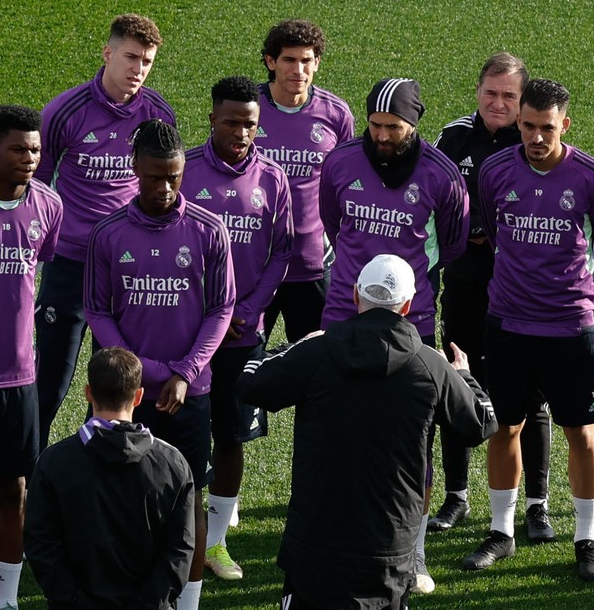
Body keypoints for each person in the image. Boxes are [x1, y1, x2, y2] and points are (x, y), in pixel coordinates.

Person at [236, 254, 497, 610]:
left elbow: (250, 382)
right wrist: (464, 375)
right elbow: (482, 423)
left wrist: (295, 345)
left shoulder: (318, 350)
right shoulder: (431, 365)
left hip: (316, 540)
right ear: (406, 306)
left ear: (356, 296)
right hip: (390, 547)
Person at [319, 78, 468, 591]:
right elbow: (333, 223)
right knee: (335, 429)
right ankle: (333, 539)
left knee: (412, 443)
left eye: (394, 127)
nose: (382, 136)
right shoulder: (339, 164)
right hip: (343, 315)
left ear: (415, 124)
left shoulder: (443, 177)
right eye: (376, 125)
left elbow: (450, 248)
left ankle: (415, 551)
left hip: (413, 324)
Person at [84, 120, 235, 610]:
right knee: (115, 495)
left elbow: (221, 309)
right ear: (135, 170)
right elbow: (98, 310)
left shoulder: (210, 231)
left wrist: (185, 373)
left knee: (188, 496)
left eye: (173, 176)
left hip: (187, 392)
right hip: (125, 394)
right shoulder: (108, 234)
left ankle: (188, 600)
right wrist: (139, 374)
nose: (165, 187)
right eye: (154, 177)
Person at [463, 78, 594, 582]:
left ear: (565, 125)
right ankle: (501, 532)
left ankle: (586, 539)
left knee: (582, 434)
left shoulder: (592, 177)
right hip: (507, 321)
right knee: (504, 427)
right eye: (528, 126)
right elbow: (499, 231)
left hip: (570, 324)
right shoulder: (495, 169)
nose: (536, 137)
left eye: (547, 128)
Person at [34, 14, 176, 449]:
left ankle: (101, 466)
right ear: (108, 53)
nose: (138, 69)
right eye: (131, 57)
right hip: (70, 264)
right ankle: (28, 479)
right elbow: (36, 183)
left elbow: (166, 184)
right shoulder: (66, 111)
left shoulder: (157, 114)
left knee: (115, 382)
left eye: (148, 61)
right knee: (51, 380)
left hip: (126, 266)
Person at [429, 53, 554, 541]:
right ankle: (457, 496)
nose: (498, 104)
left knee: (531, 398)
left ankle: (537, 505)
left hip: (523, 293)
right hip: (464, 285)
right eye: (490, 93)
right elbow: (433, 198)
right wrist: (472, 228)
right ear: (477, 90)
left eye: (509, 96)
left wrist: (489, 228)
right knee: (455, 386)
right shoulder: (453, 137)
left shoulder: (535, 139)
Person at [181, 76, 293, 580]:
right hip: (186, 330)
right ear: (211, 119)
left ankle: (218, 544)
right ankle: (170, 536)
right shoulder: (184, 170)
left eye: (250, 124)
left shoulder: (273, 179)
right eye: (231, 122)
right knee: (175, 436)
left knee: (229, 435)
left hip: (243, 330)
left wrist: (247, 310)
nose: (241, 132)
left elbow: (282, 251)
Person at [25, 348, 195, 610]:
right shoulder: (174, 464)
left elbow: (41, 545)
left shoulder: (53, 462)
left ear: (88, 393)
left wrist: (74, 601)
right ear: (139, 396)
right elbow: (179, 551)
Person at [0, 105, 62, 610]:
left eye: (35, 149)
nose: (30, 158)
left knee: (14, 486)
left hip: (18, 377)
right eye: (19, 148)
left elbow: (41, 268)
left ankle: (7, 598)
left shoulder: (49, 207)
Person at [257, 18, 355, 343]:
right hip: (254, 264)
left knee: (318, 366)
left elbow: (346, 186)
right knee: (240, 363)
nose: (298, 69)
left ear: (317, 64)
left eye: (306, 60)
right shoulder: (247, 110)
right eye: (289, 59)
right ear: (271, 62)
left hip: (313, 262)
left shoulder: (336, 115)